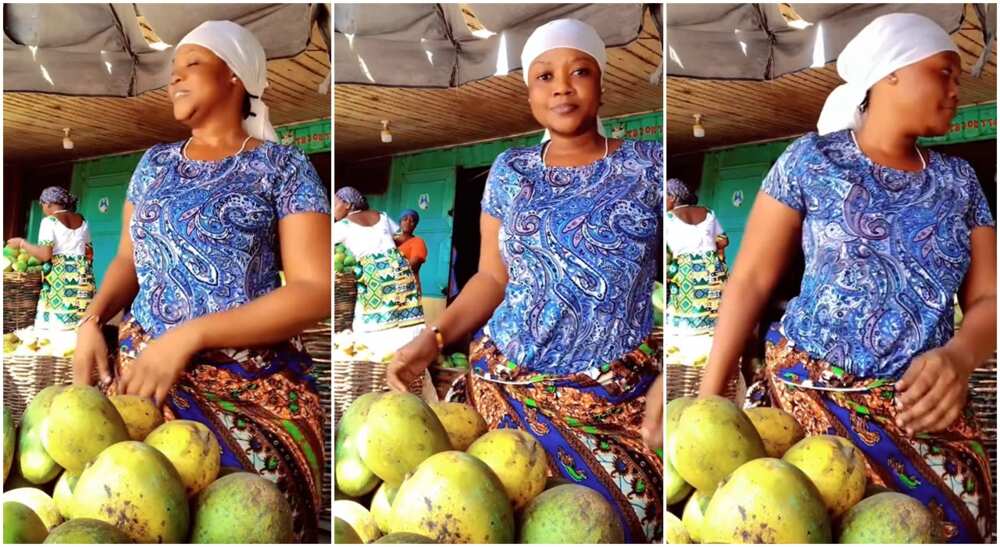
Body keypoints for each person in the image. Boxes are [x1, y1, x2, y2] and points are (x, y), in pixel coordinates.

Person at [700, 13, 995, 543]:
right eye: (944, 72)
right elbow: (748, 280)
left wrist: (960, 355)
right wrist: (712, 393)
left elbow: (989, 297)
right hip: (812, 400)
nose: (957, 87)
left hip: (923, 404)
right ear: (891, 75)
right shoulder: (812, 161)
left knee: (956, 524)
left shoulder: (960, 182)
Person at [388, 19, 663, 543]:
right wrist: (434, 338)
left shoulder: (648, 165)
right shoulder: (511, 170)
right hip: (506, 387)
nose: (562, 85)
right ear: (529, 92)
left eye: (579, 71)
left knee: (625, 518)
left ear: (601, 84)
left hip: (614, 395)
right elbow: (491, 276)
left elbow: (682, 279)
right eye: (544, 76)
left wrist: (668, 380)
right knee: (474, 521)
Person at [71, 21, 331, 541]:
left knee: (243, 523)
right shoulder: (154, 165)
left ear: (234, 75)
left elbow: (314, 290)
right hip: (146, 381)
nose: (174, 79)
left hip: (253, 390)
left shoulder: (282, 167)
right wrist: (92, 319)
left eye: (191, 64)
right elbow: (128, 259)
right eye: (172, 72)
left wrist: (189, 336)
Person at [334, 187, 425, 353]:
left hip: (374, 271)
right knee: (405, 317)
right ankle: (408, 360)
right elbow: (399, 237)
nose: (333, 209)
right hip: (400, 268)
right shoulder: (381, 216)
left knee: (373, 320)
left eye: (335, 203)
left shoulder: (343, 225)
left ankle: (377, 362)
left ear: (347, 204)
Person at [7, 187, 95, 332]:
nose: (43, 209)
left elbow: (45, 254)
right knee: (78, 327)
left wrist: (22, 243)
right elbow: (89, 252)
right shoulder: (82, 220)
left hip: (59, 280)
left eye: (42, 206)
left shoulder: (50, 221)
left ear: (48, 204)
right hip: (83, 277)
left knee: (56, 330)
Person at [665, 178, 729, 368]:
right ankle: (713, 357)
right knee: (715, 315)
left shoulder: (668, 218)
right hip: (713, 269)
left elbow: (666, 253)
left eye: (665, 196)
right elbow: (724, 240)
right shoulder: (708, 213)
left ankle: (691, 366)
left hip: (687, 271)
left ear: (673, 197)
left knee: (686, 325)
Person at [395, 209, 428, 293]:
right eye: (405, 219)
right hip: (389, 288)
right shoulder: (390, 241)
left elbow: (414, 265)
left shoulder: (418, 241)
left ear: (415, 225)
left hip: (409, 288)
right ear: (400, 222)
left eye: (412, 220)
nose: (408, 222)